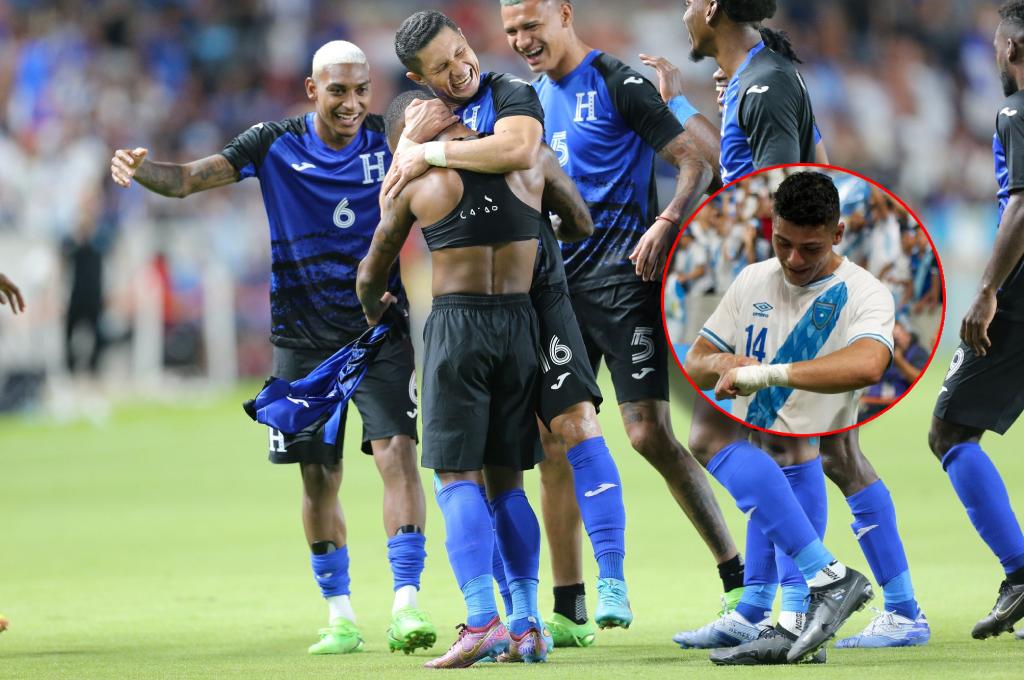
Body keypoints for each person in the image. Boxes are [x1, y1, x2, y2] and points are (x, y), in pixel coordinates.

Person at [109, 41, 435, 655]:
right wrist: (140, 168)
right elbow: (185, 181)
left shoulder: (391, 143)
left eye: (362, 90)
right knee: (319, 477)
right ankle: (339, 616)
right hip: (301, 341)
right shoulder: (272, 142)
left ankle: (406, 605)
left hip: (379, 329)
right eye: (338, 90)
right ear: (313, 90)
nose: (352, 102)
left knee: (397, 454)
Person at [391, 9, 650, 645]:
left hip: (542, 295)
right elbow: (396, 204)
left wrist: (422, 150)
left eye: (459, 52)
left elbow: (517, 148)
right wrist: (415, 147)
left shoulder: (508, 92)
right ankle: (521, 617)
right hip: (493, 312)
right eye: (441, 68)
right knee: (503, 468)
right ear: (418, 78)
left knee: (576, 424)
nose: (460, 69)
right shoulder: (431, 116)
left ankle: (609, 580)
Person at [497, 0, 753, 644]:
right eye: (511, 31)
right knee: (553, 440)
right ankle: (571, 603)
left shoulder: (617, 80)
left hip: (625, 284)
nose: (523, 40)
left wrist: (666, 224)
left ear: (562, 14)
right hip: (556, 294)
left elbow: (699, 160)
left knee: (647, 434)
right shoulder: (525, 102)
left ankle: (737, 575)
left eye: (532, 25)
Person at [358, 88, 593, 667]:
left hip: (458, 328)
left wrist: (376, 306)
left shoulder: (418, 181)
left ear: (409, 136)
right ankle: (527, 624)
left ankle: (482, 620)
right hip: (521, 326)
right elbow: (580, 222)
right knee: (509, 481)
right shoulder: (525, 159)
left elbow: (372, 268)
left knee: (456, 477)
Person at [929, 0, 1024, 640]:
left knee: (949, 431)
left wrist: (987, 289)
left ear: (1013, 50)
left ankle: (1020, 573)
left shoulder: (1016, 111)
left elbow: (1021, 203)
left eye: (997, 47)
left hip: (1019, 295)